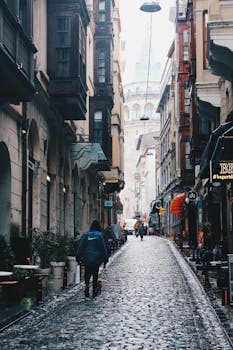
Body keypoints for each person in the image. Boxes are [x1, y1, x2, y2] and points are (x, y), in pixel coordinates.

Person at [76, 220, 109, 298]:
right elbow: (103, 248)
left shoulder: (86, 235)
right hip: (96, 259)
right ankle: (94, 289)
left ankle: (87, 286)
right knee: (95, 273)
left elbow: (81, 247)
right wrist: (105, 259)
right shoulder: (100, 236)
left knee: (87, 272)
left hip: (86, 258)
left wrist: (78, 256)